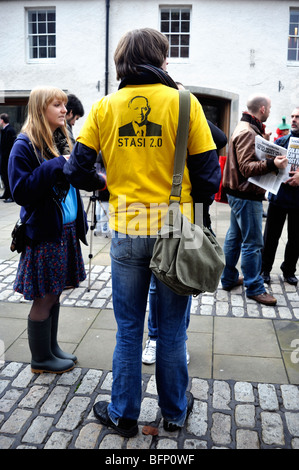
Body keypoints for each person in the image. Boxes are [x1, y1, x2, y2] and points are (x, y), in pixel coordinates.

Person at [64, 28, 221, 437]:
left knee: (130, 327)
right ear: (160, 57)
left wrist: (108, 186)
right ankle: (174, 412)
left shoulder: (104, 107)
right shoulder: (186, 103)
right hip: (177, 223)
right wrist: (198, 223)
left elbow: (77, 169)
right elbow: (208, 176)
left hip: (128, 223)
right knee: (171, 330)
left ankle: (124, 413)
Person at [8, 86, 89, 374]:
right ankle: (40, 359)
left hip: (63, 229)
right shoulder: (24, 145)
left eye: (64, 105)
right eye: (57, 105)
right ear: (41, 108)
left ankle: (51, 349)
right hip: (43, 234)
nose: (64, 110)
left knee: (55, 293)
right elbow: (20, 191)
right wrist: (56, 164)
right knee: (44, 296)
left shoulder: (60, 139)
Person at [142, 102, 227, 365]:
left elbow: (221, 138)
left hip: (192, 212)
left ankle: (177, 341)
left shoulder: (187, 113)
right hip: (153, 210)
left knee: (185, 274)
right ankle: (155, 338)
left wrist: (190, 109)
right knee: (159, 282)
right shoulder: (156, 121)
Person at [221, 94, 288, 306]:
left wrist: (265, 141)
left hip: (239, 193)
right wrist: (273, 165)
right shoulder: (247, 132)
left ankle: (229, 278)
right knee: (253, 243)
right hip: (246, 195)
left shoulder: (247, 128)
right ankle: (254, 287)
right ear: (262, 108)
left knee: (234, 238)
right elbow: (247, 168)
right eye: (269, 108)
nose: (269, 111)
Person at [261, 106, 299, 285]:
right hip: (279, 196)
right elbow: (267, 162)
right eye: (292, 116)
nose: (293, 119)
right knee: (270, 237)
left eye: (297, 117)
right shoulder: (282, 141)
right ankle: (265, 269)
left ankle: (289, 270)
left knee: (296, 239)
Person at [0, 113, 16, 202]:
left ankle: (11, 196)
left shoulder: (10, 130)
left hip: (7, 159)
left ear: (2, 120)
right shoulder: (5, 130)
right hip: (4, 158)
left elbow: (10, 146)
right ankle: (6, 194)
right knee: (4, 177)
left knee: (8, 177)